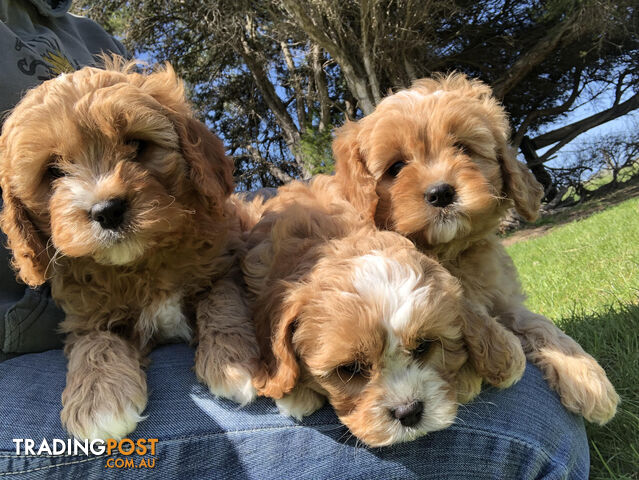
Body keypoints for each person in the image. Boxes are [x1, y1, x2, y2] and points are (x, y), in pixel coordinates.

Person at [0, 1, 590, 479]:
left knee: (531, 410)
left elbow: (230, 263)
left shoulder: (79, 28)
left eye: (137, 149)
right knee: (530, 434)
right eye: (53, 175)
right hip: (31, 372)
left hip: (211, 294)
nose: (102, 193)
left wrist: (223, 315)